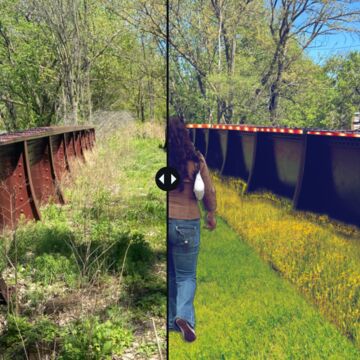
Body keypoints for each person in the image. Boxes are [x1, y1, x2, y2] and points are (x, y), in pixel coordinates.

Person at [168, 116, 217, 342]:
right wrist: (211, 213)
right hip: (187, 221)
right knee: (185, 275)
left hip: (166, 220)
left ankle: (172, 320)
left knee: (171, 274)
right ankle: (183, 317)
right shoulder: (196, 160)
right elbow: (208, 190)